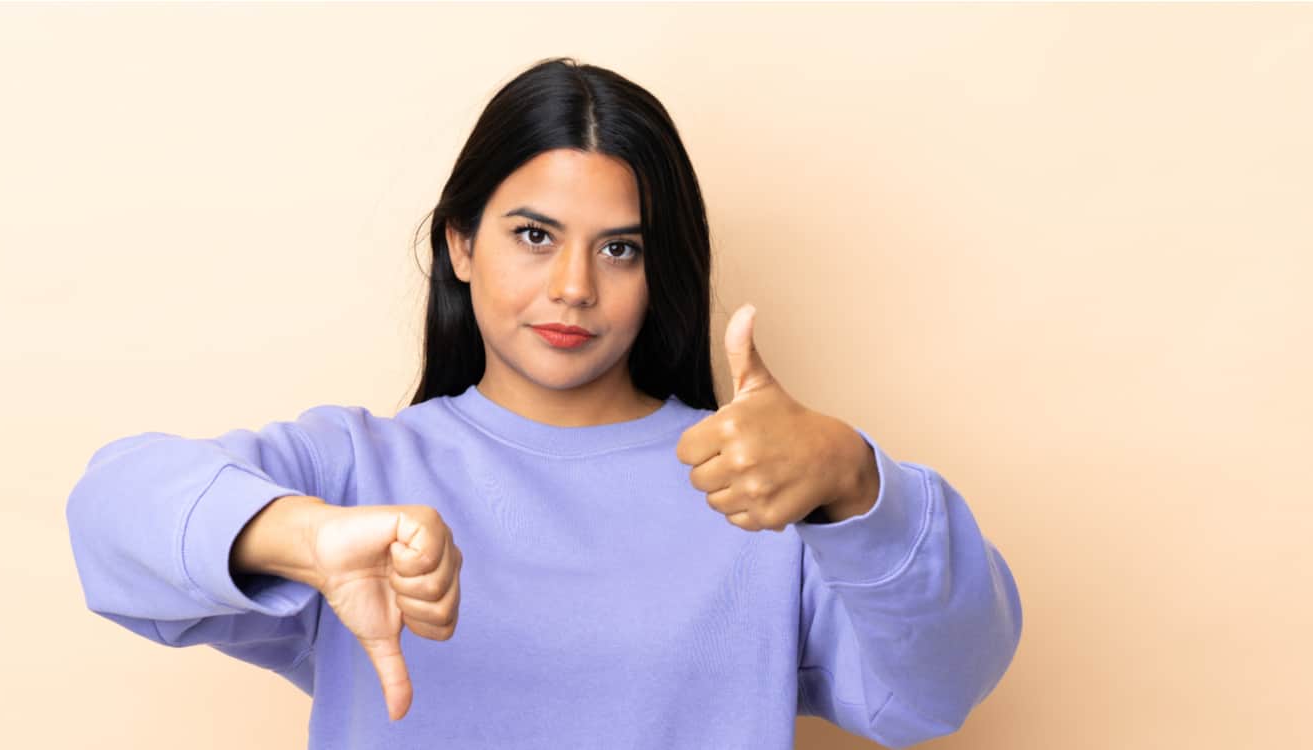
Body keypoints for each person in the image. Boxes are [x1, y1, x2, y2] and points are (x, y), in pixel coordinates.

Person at [65, 56, 1022, 749]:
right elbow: (113, 516)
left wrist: (856, 482)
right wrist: (301, 537)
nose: (573, 286)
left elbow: (935, 691)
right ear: (460, 246)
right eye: (533, 234)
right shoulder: (358, 475)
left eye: (620, 248)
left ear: (660, 273)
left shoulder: (756, 490)